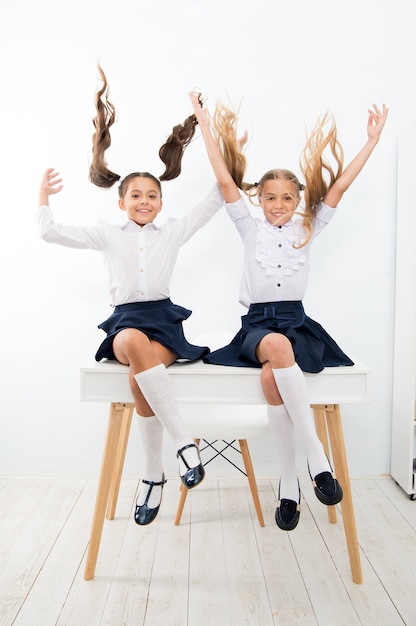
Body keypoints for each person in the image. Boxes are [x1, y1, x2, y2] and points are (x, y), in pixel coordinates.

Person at [189, 91, 388, 530]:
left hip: (297, 321)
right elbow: (225, 180)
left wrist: (371, 141)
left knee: (270, 378)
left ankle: (288, 484)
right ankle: (318, 459)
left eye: (286, 198)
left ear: (298, 200)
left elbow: (340, 186)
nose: (278, 205)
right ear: (258, 200)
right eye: (270, 198)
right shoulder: (248, 226)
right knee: (276, 347)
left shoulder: (309, 225)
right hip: (259, 325)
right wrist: (205, 125)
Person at [36, 67, 225, 527]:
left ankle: (153, 476)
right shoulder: (106, 234)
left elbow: (221, 194)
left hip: (164, 320)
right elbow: (48, 232)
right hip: (126, 322)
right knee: (135, 346)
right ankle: (184, 443)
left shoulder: (175, 231)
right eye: (136, 195)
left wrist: (204, 122)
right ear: (121, 202)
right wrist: (42, 193)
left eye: (152, 195)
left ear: (162, 202)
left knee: (142, 379)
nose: (145, 201)